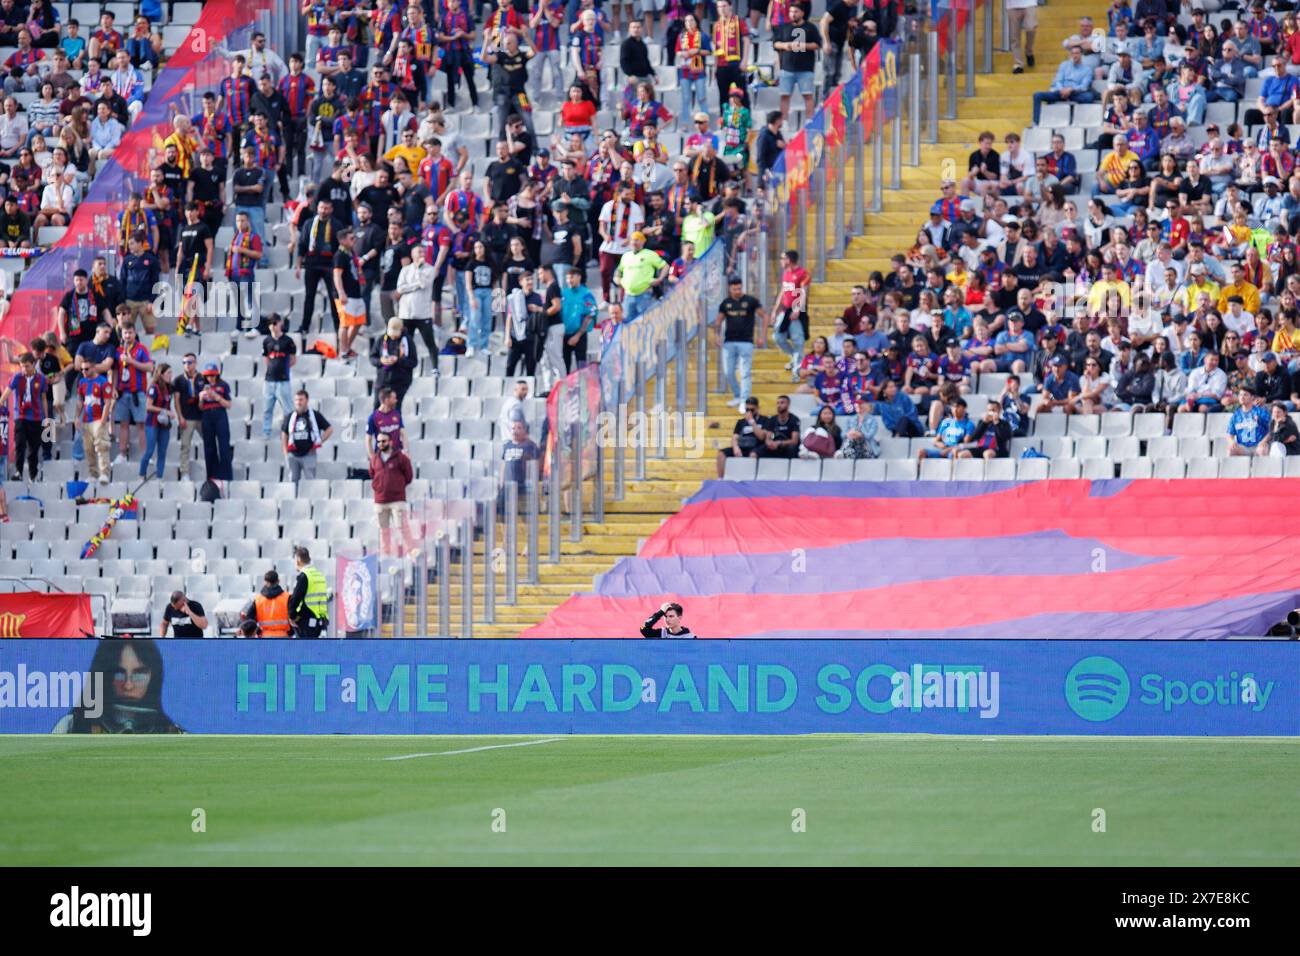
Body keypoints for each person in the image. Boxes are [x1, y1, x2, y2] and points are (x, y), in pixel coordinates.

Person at [54, 640, 184, 734]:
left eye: (139, 674)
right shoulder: (70, 726)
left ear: (154, 676)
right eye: (118, 674)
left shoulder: (172, 731)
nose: (128, 685)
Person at [0, 352, 46, 481]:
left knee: (34, 448)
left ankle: (33, 475)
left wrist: (47, 418)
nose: (24, 369)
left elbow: (43, 399)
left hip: (36, 417)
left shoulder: (41, 379)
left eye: (27, 366)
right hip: (20, 415)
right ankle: (18, 472)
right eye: (22, 366)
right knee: (19, 444)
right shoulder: (17, 377)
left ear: (33, 364)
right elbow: (6, 393)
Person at [371, 430, 413, 556]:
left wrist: (396, 486)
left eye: (383, 441)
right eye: (378, 442)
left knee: (402, 528)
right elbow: (373, 474)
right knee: (383, 531)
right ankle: (386, 556)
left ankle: (411, 554)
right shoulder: (374, 458)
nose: (380, 444)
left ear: (390, 441)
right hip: (380, 500)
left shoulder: (401, 458)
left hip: (397, 500)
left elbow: (409, 476)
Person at [281, 389, 333, 482]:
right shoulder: (290, 416)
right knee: (292, 482)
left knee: (310, 482)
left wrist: (319, 441)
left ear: (307, 400)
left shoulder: (315, 415)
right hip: (293, 455)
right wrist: (285, 453)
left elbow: (329, 429)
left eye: (301, 400)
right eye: (296, 400)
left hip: (309, 454)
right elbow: (284, 434)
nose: (298, 402)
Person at [197, 359, 233, 487]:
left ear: (217, 375)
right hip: (207, 416)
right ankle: (211, 477)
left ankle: (227, 476)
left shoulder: (223, 385)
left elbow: (229, 404)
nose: (210, 378)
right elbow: (200, 407)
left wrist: (216, 396)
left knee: (224, 447)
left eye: (212, 375)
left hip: (220, 414)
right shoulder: (201, 385)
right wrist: (201, 399)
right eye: (207, 375)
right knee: (209, 447)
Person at [371, 316, 418, 409]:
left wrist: (398, 360)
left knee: (395, 409)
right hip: (382, 380)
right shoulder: (382, 339)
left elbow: (413, 362)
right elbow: (372, 357)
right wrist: (381, 361)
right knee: (377, 407)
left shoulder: (407, 341)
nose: (393, 336)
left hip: (400, 382)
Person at [139, 362, 173, 480]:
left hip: (164, 424)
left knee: (162, 451)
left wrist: (169, 413)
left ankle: (160, 477)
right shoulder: (154, 388)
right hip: (152, 423)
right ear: (161, 374)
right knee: (150, 450)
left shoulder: (168, 388)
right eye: (168, 373)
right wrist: (165, 411)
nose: (170, 375)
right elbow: (148, 406)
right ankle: (142, 474)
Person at [288, 545, 329, 639]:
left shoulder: (304, 576)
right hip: (320, 621)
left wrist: (292, 616)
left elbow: (296, 598)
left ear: (298, 559)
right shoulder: (319, 575)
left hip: (306, 621)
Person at [717, 395, 764, 476]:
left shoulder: (764, 420)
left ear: (757, 408)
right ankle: (721, 479)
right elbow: (734, 437)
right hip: (742, 445)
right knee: (721, 454)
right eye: (747, 410)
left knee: (753, 454)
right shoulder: (741, 422)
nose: (749, 412)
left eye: (752, 410)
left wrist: (752, 422)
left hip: (756, 446)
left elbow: (762, 437)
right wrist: (735, 448)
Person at [240, 570, 291, 638]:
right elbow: (294, 616)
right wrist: (290, 633)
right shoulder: (287, 597)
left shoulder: (258, 599)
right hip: (283, 636)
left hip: (265, 636)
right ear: (278, 581)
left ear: (265, 582)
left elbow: (249, 620)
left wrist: (258, 631)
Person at [500, 418, 541, 495]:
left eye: (519, 428)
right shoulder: (507, 446)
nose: (515, 431)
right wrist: (501, 483)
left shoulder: (530, 446)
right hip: (507, 487)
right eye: (513, 428)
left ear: (525, 431)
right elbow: (503, 465)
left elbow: (536, 466)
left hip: (522, 488)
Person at [1227, 386, 1271, 456]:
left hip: (1258, 446)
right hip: (1244, 448)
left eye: (1245, 395)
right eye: (1240, 395)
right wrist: (1231, 442)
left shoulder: (1261, 412)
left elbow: (1271, 430)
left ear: (1252, 397)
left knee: (1262, 449)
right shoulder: (1236, 415)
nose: (1242, 397)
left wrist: (1264, 441)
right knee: (1231, 449)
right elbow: (1230, 434)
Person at [367, 387, 407, 454]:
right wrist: (373, 458)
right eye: (393, 398)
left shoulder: (396, 414)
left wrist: (406, 451)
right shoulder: (373, 417)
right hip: (382, 455)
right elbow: (368, 439)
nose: (396, 401)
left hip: (397, 455)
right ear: (386, 400)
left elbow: (403, 433)